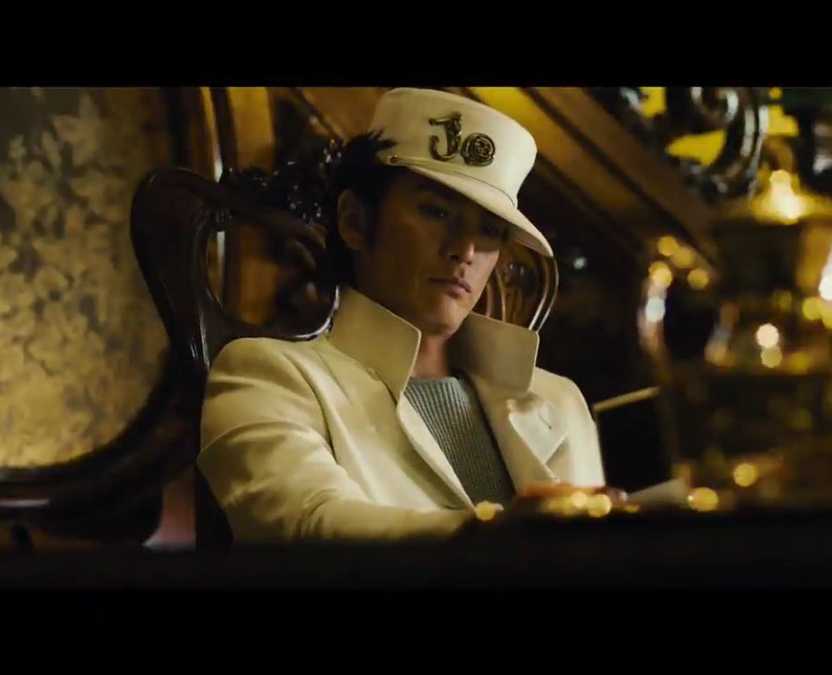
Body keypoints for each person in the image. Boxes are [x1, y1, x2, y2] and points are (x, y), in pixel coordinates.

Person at [198, 88, 608, 542]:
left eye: (489, 230)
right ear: (355, 221)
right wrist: (492, 533)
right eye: (436, 211)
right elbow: (310, 524)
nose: (465, 250)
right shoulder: (266, 375)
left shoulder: (558, 400)